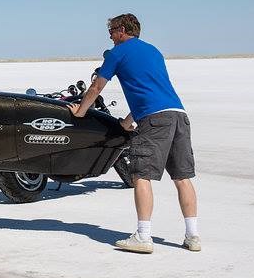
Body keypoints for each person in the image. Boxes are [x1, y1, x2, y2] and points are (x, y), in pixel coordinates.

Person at [68, 14, 200, 254]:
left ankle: (143, 236)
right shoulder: (153, 51)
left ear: (121, 30)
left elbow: (97, 86)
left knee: (141, 176)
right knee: (182, 178)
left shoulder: (117, 52)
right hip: (178, 115)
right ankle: (193, 237)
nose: (109, 35)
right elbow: (150, 91)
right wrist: (129, 120)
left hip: (154, 120)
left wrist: (80, 111)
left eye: (110, 30)